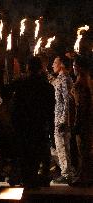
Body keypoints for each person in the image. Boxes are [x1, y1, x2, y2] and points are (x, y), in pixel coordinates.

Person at [11, 56, 55, 188]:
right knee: (36, 153)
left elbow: (4, 92)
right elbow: (50, 110)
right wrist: (51, 127)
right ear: (41, 68)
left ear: (28, 67)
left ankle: (28, 179)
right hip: (39, 124)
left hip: (24, 124)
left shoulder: (21, 83)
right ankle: (34, 178)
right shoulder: (47, 87)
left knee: (26, 153)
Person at [51, 55, 76, 184]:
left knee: (63, 146)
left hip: (61, 119)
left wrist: (64, 120)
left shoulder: (65, 79)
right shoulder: (60, 78)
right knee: (59, 146)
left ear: (61, 64)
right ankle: (67, 171)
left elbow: (67, 100)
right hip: (58, 118)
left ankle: (66, 173)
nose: (52, 65)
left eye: (55, 62)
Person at [70, 56, 92, 186]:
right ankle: (84, 174)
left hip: (84, 122)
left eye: (74, 66)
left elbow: (80, 105)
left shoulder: (80, 84)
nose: (73, 69)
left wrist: (77, 123)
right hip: (88, 121)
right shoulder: (88, 81)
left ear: (79, 67)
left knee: (83, 150)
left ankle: (84, 177)